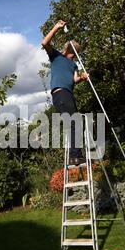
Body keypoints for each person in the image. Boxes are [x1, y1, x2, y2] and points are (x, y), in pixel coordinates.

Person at [41, 20, 89, 165]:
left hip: (67, 94)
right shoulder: (56, 56)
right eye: (74, 52)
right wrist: (56, 27)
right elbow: (44, 43)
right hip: (61, 94)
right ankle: (75, 156)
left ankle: (75, 155)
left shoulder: (73, 64)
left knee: (74, 123)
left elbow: (73, 80)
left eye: (76, 54)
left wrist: (82, 77)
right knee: (75, 123)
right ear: (69, 50)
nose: (75, 56)